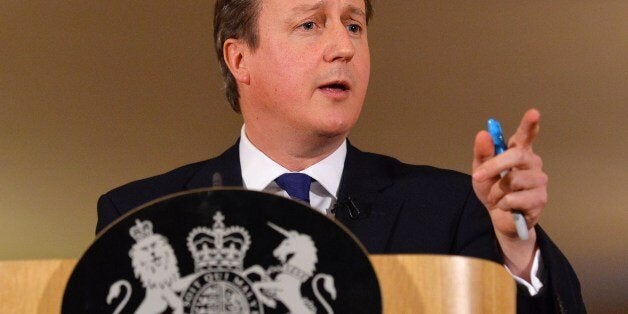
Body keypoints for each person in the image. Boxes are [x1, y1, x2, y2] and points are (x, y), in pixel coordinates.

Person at [96, 0, 585, 312]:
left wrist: (517, 249)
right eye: (310, 24)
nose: (342, 47)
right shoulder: (139, 216)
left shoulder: (451, 208)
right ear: (240, 59)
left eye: (353, 25)